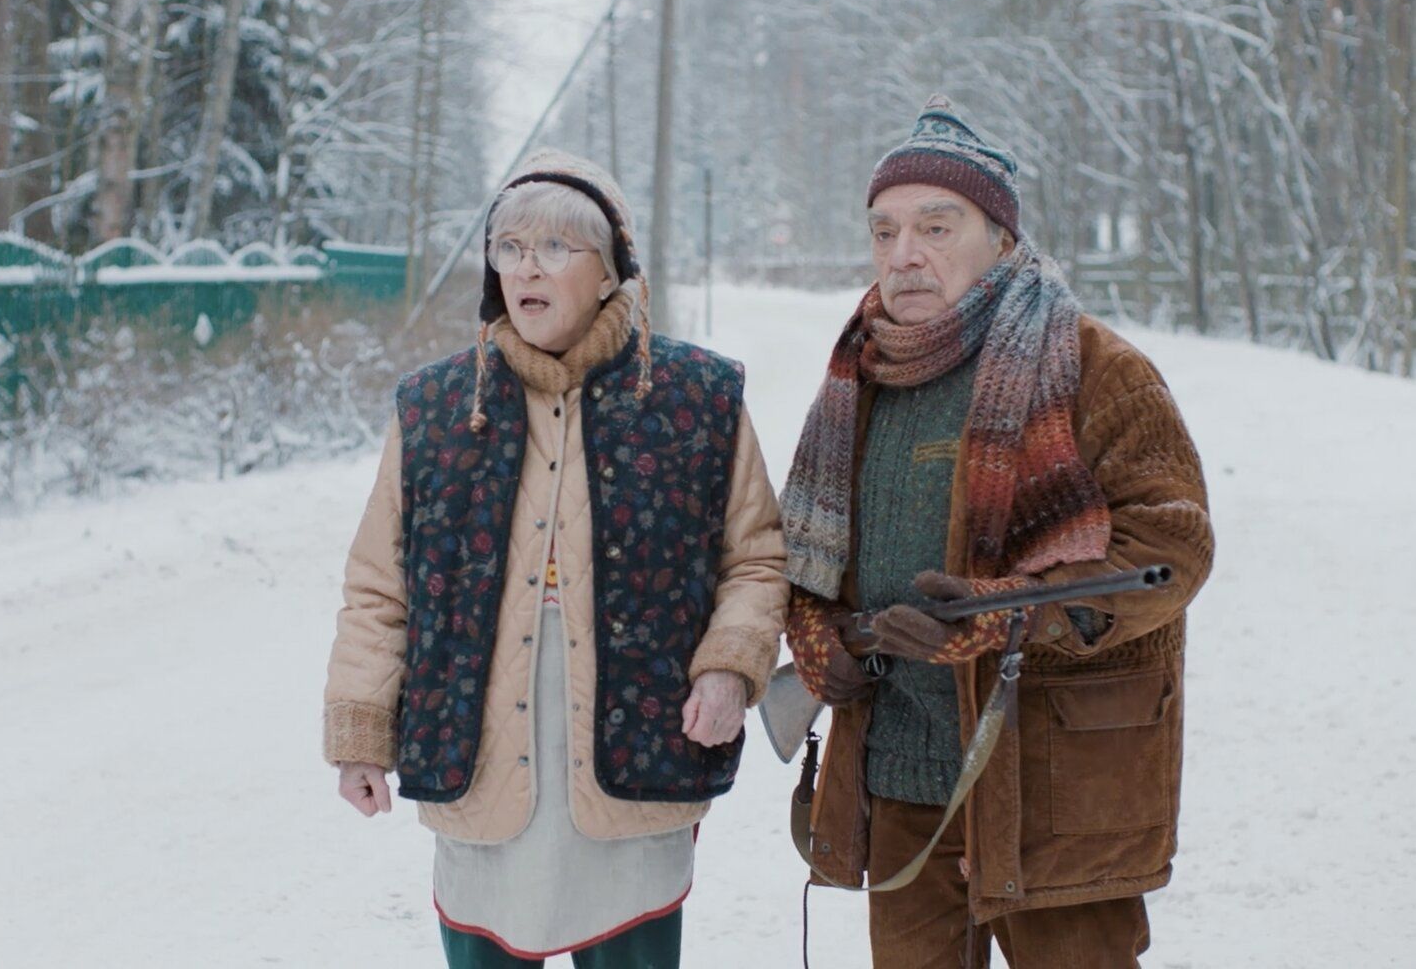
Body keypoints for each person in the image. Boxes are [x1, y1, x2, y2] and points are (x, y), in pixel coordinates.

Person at [323, 148, 789, 968]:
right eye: (508, 248)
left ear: (610, 273)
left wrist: (729, 667)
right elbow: (378, 588)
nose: (525, 268)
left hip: (636, 755)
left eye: (552, 247)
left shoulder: (697, 397)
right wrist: (361, 727)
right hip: (476, 753)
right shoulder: (435, 406)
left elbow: (753, 560)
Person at [781, 96, 1215, 968]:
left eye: (935, 227)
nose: (903, 254)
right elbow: (805, 563)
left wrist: (1008, 616)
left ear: (1001, 238)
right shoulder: (856, 378)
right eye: (883, 231)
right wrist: (824, 638)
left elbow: (1170, 550)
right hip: (900, 782)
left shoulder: (1096, 367)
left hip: (1051, 787)